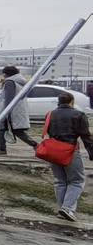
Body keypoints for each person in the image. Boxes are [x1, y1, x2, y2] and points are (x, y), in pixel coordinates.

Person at [43, 91, 93, 222]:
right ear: (71, 102)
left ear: (59, 102)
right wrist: (91, 152)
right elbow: (86, 136)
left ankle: (63, 210)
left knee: (60, 181)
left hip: (53, 151)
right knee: (77, 181)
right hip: (69, 151)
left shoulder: (50, 114)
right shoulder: (78, 114)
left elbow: (48, 132)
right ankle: (67, 208)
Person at [0, 65, 37, 154]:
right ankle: (35, 145)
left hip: (11, 111)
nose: (3, 75)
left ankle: (1, 149)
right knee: (15, 130)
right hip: (18, 109)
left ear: (6, 74)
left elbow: (9, 98)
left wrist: (5, 111)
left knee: (3, 128)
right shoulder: (20, 81)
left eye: (4, 73)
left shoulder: (10, 82)